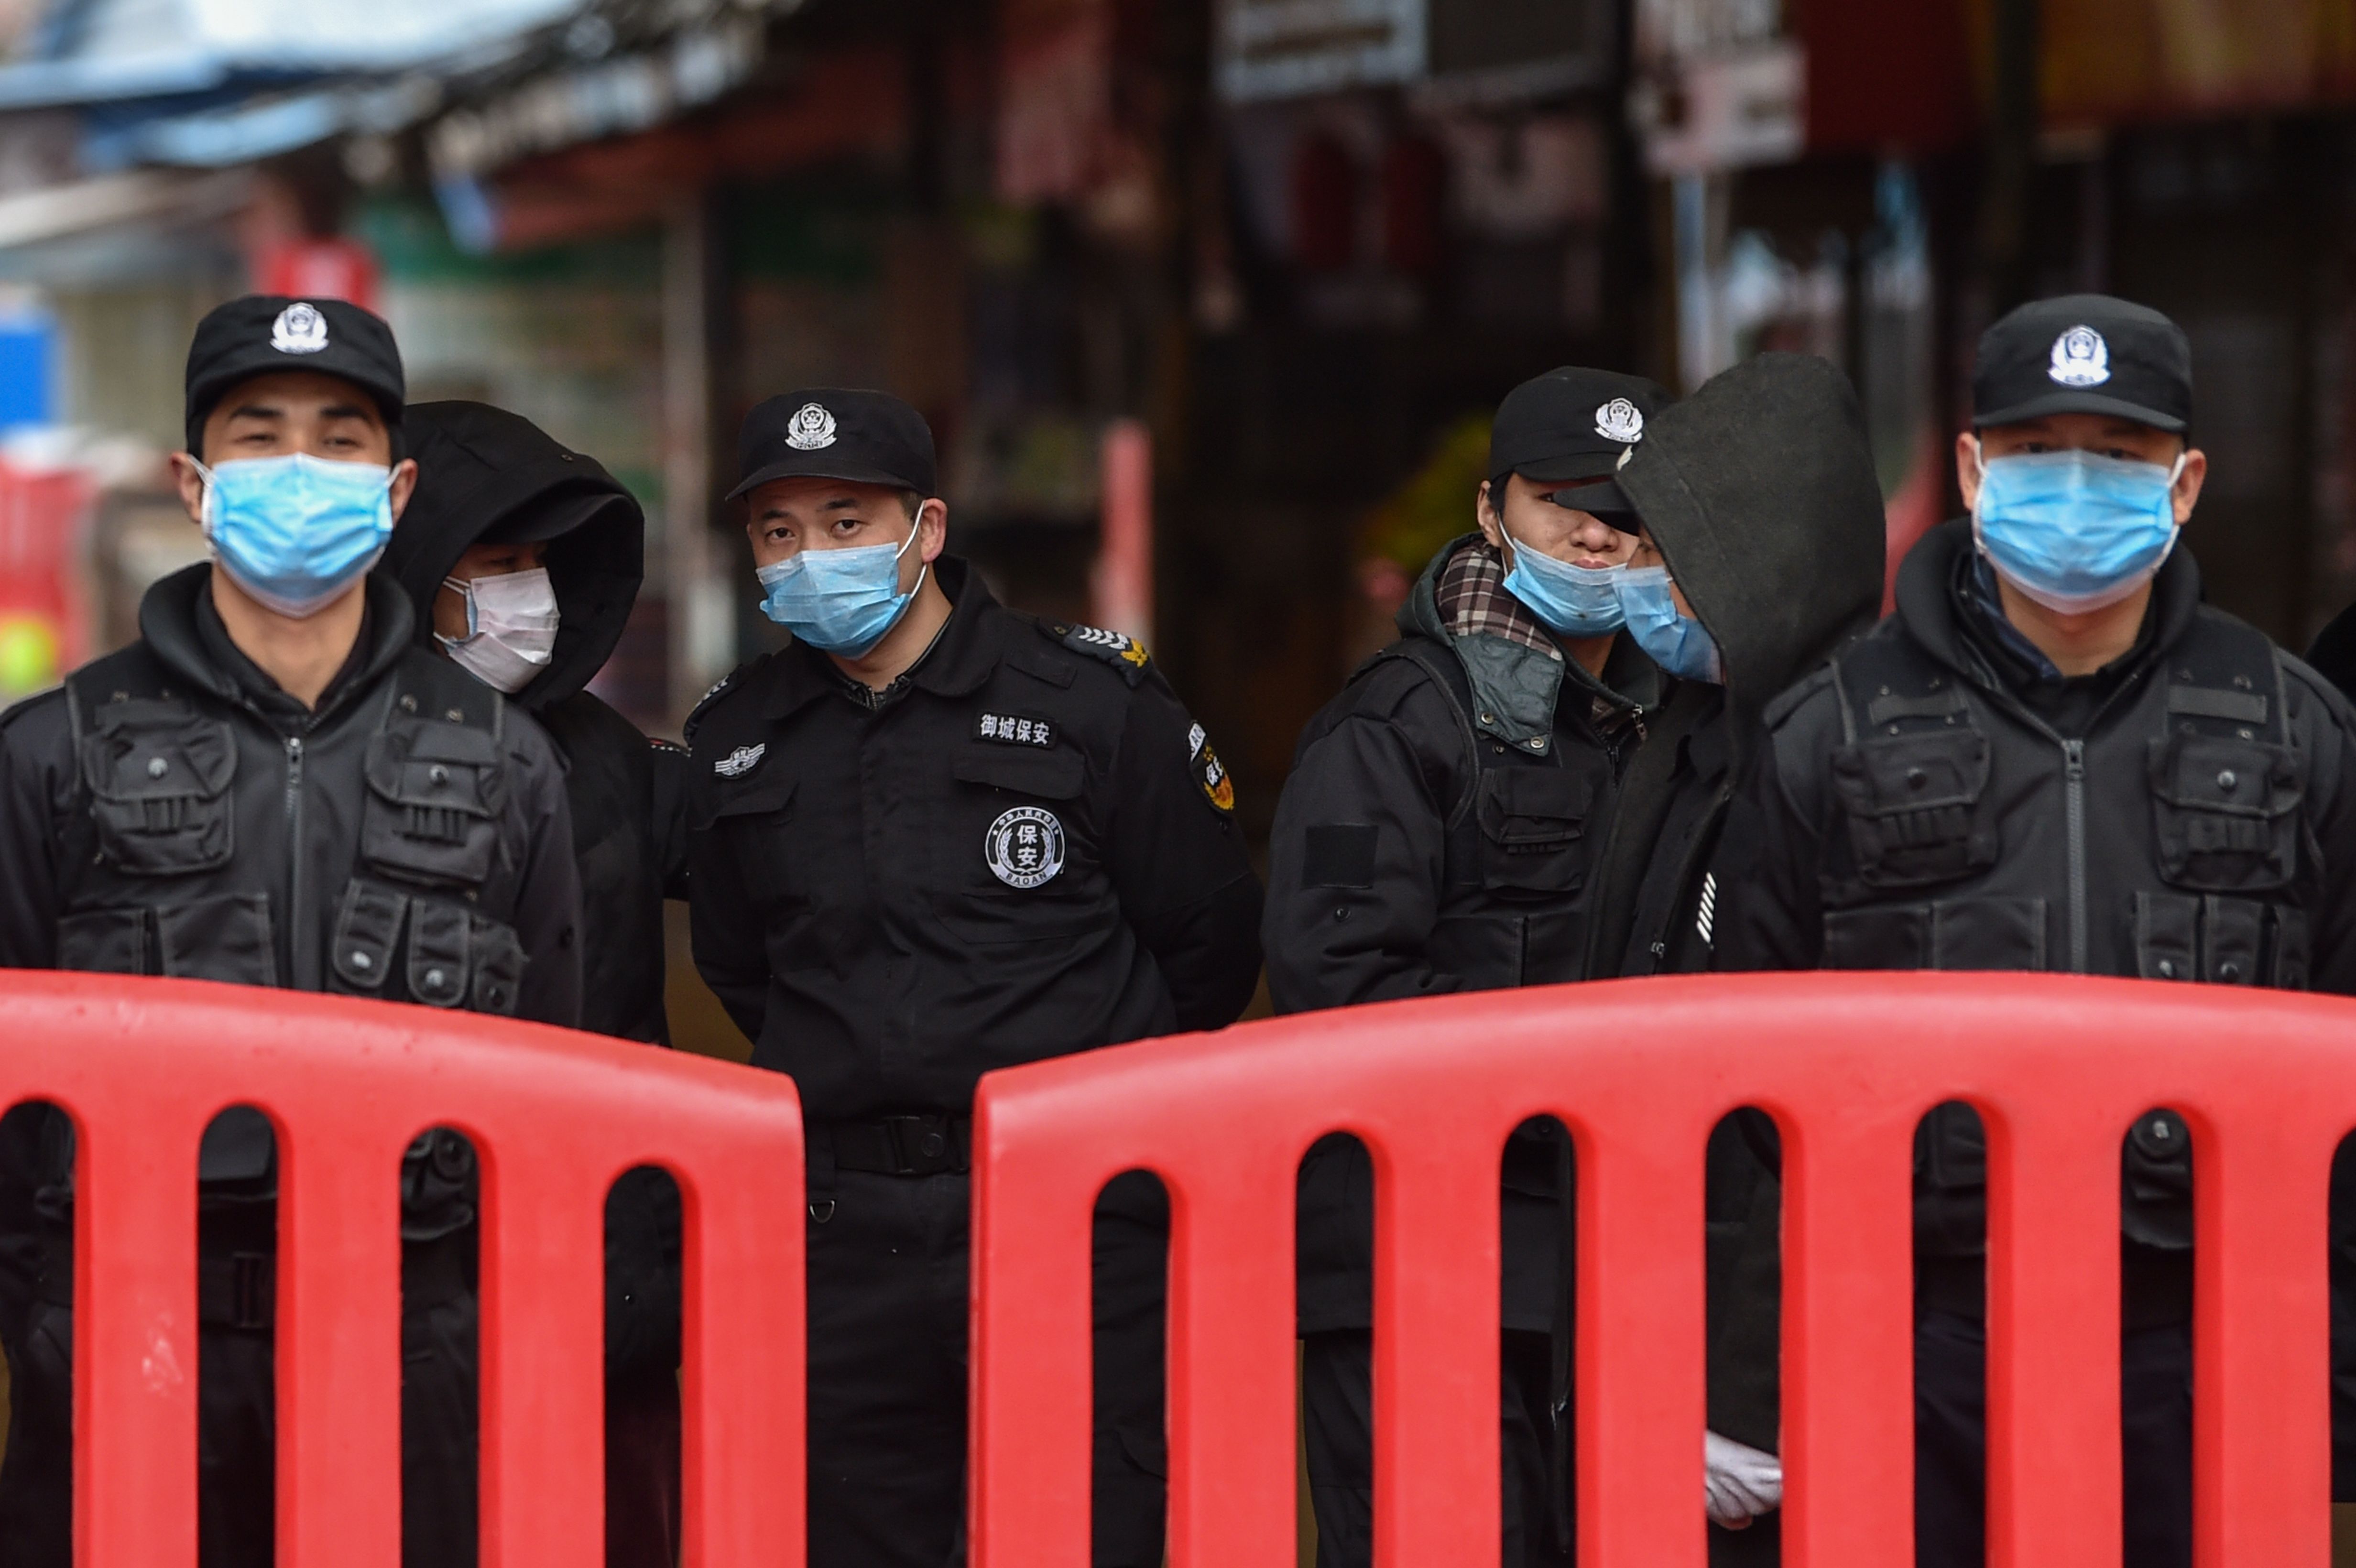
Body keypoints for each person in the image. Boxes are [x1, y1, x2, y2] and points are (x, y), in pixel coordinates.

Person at [1715, 293, 2356, 1568]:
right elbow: (1729, 1087)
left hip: (2210, 1336)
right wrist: (1734, 1378)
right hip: (1911, 1337)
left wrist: (2337, 1364)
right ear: (1968, 471)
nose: (2076, 490)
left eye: (2116, 458)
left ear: (2183, 487)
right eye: (2034, 452)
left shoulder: (2298, 730)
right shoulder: (1828, 730)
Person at [0, 297, 582, 1568]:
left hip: (415, 1356)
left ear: (397, 484)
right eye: (260, 440)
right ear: (196, 485)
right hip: (125, 1342)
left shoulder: (507, 762)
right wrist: (45, 1318)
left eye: (340, 438)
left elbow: (557, 1087)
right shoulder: (55, 753)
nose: (300, 472)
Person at [684, 388, 1262, 1568]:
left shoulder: (1089, 706)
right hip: (842, 1234)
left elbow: (1208, 945)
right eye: (778, 532)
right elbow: (743, 966)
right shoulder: (737, 739)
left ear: (928, 528)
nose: (810, 557)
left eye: (846, 522)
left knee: (1087, 1526)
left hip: (1068, 1214)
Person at [1264, 366, 1671, 1568]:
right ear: (1495, 514)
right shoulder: (1393, 727)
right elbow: (1335, 985)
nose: (1601, 538)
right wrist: (1579, 1083)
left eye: (1633, 517)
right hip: (1420, 1271)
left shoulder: (1680, 723)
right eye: (1566, 507)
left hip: (1613, 1268)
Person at [381, 400, 686, 1568]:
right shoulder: (324, 761)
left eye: (541, 565)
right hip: (403, 1284)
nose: (529, 595)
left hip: (605, 1280)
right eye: (496, 563)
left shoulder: (612, 763)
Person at [1601, 352, 1888, 1563]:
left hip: (1776, 1357)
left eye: (1680, 557)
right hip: (1655, 1303)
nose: (1647, 586)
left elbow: (1821, 1109)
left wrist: (1749, 1382)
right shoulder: (1686, 737)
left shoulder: (1845, 763)